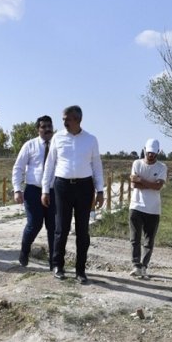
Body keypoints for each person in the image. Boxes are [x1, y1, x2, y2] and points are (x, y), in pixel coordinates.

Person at [41, 105, 104, 284]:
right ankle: (58, 265)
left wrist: (100, 191)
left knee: (83, 230)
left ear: (77, 119)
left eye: (67, 119)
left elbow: (97, 166)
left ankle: (80, 270)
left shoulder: (91, 140)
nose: (64, 122)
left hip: (85, 187)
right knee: (61, 228)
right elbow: (49, 165)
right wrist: (45, 189)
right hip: (62, 186)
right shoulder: (58, 138)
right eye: (63, 119)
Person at [12, 115, 56, 268]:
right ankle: (24, 251)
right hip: (33, 191)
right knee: (34, 224)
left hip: (53, 192)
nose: (47, 129)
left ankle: (54, 262)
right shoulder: (29, 145)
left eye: (49, 126)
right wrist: (17, 189)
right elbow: (18, 168)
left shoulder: (58, 146)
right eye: (43, 127)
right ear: (38, 129)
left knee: (54, 227)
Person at [128, 139, 167, 278]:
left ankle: (144, 266)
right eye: (148, 152)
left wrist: (141, 180)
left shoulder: (162, 167)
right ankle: (136, 264)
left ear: (157, 152)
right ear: (145, 150)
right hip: (136, 205)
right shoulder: (137, 163)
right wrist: (150, 184)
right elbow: (134, 184)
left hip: (153, 208)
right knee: (135, 238)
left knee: (149, 240)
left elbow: (158, 187)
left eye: (153, 153)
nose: (150, 155)